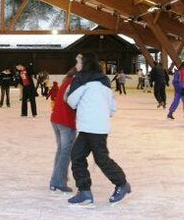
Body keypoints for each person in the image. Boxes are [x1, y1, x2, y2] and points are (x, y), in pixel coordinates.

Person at [66, 53, 131, 206]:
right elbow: (112, 108)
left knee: (99, 158)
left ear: (85, 64)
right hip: (96, 128)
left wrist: (71, 90)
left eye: (78, 62)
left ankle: (122, 184)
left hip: (90, 127)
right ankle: (84, 192)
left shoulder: (82, 82)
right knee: (78, 156)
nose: (76, 65)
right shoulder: (104, 84)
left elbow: (71, 101)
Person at [49, 66, 77, 194]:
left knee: (61, 150)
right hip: (65, 121)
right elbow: (70, 101)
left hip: (57, 119)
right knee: (66, 152)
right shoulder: (74, 82)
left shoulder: (67, 81)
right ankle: (58, 182)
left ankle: (57, 180)